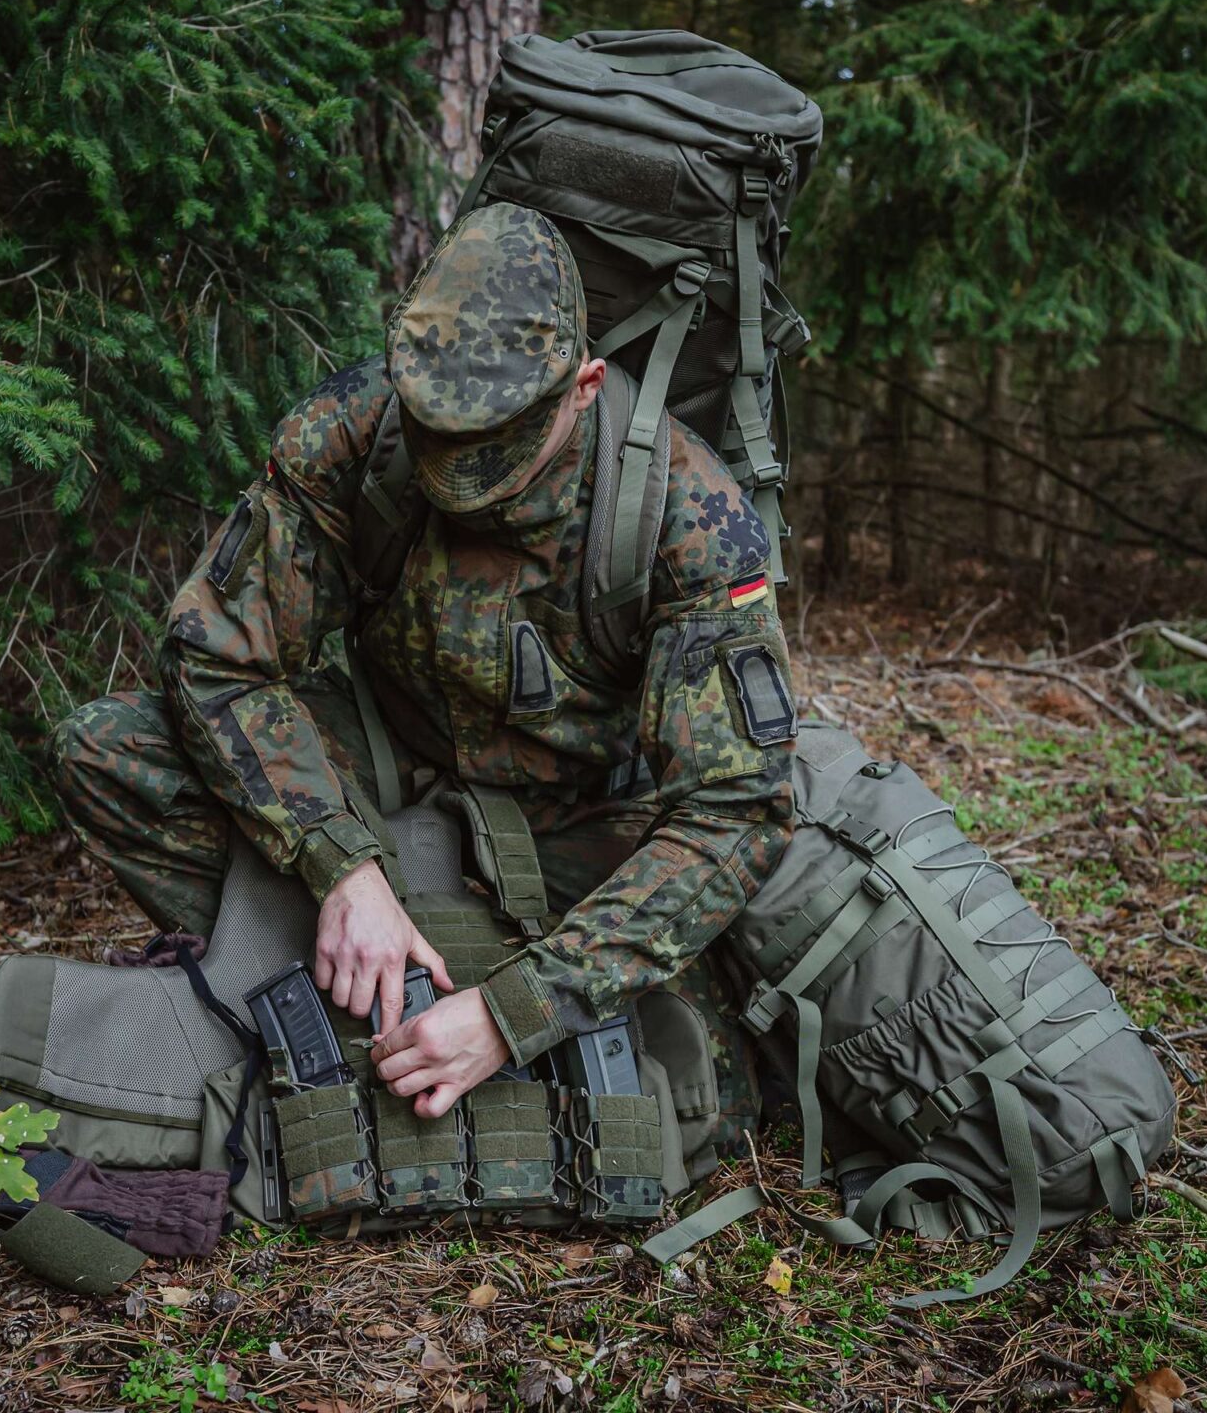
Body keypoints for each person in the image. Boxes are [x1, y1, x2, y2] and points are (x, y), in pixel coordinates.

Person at [48, 203, 797, 1155]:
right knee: (109, 751)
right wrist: (339, 863)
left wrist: (521, 1010)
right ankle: (359, 953)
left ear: (584, 386)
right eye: (436, 433)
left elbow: (735, 807)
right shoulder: (354, 433)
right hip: (392, 768)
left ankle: (441, 976)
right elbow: (216, 656)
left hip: (581, 822)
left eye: (497, 445)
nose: (455, 475)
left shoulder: (687, 513)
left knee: (702, 1105)